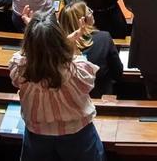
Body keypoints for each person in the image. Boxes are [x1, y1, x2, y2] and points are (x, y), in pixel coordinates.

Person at [8, 10, 104, 160]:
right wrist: (64, 41)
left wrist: (37, 34)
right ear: (60, 40)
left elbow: (25, 55)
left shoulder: (19, 68)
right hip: (77, 136)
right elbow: (87, 85)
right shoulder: (78, 69)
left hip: (37, 135)